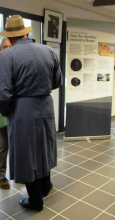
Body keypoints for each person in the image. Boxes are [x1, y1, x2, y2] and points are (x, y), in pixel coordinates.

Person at [0, 15, 63, 211]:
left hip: (22, 108)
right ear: (27, 33)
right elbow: (56, 82)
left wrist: (6, 112)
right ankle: (46, 186)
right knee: (44, 146)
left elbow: (3, 92)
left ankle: (35, 200)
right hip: (45, 105)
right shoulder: (49, 51)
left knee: (26, 152)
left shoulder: (6, 56)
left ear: (10, 38)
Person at [0, 37, 11, 189]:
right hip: (1, 113)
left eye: (10, 45)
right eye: (4, 46)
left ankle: (19, 174)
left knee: (15, 145)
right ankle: (1, 176)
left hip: (15, 112)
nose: (7, 48)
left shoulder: (15, 63)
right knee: (3, 145)